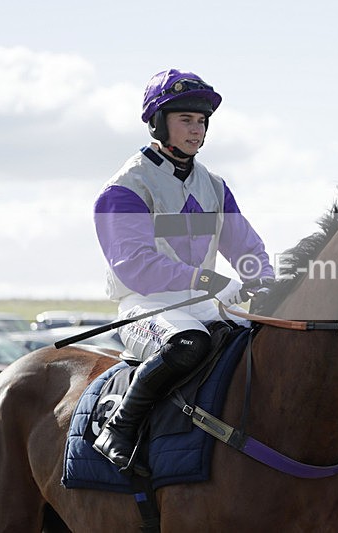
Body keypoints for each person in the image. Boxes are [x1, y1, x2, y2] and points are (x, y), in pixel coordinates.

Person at [92, 69, 274, 472]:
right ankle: (119, 429)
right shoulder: (125, 187)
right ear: (158, 123)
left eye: (202, 121)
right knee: (188, 344)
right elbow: (137, 266)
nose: (197, 130)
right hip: (147, 306)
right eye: (186, 120)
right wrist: (210, 282)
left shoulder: (214, 184)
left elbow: (246, 246)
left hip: (202, 304)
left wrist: (265, 284)